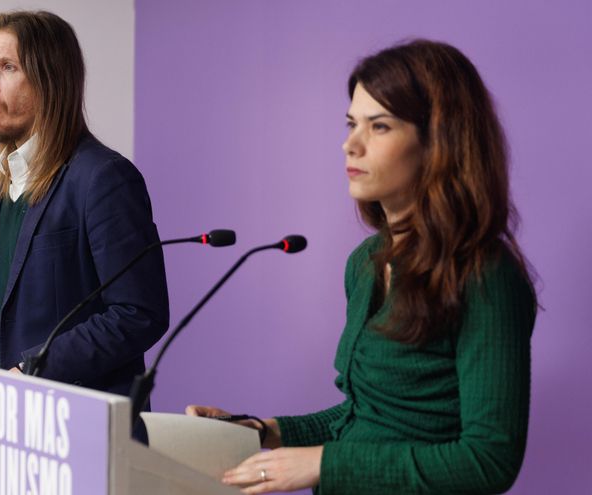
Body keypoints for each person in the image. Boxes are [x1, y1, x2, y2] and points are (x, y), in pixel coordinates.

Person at [188, 40, 537, 494]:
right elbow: (367, 416)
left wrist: (326, 463)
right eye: (352, 123)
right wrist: (262, 430)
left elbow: (489, 461)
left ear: (438, 142)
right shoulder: (366, 264)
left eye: (380, 127)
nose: (350, 144)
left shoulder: (485, 277)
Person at [0, 11, 169, 398]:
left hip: (81, 430)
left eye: (7, 67)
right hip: (8, 429)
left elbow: (138, 313)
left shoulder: (103, 178)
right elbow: (0, 320)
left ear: (50, 80)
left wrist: (30, 372)